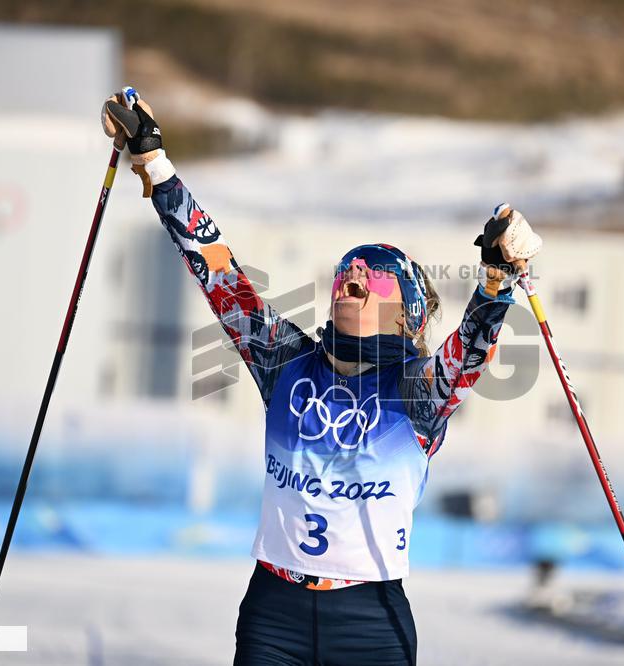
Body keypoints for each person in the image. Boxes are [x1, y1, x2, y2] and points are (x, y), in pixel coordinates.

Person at [103, 90, 541, 666]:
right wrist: (154, 163)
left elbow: (468, 354)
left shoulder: (416, 391)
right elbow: (217, 270)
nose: (353, 274)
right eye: (347, 270)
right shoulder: (286, 361)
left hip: (369, 620)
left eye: (373, 274)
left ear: (406, 313)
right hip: (274, 612)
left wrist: (495, 283)